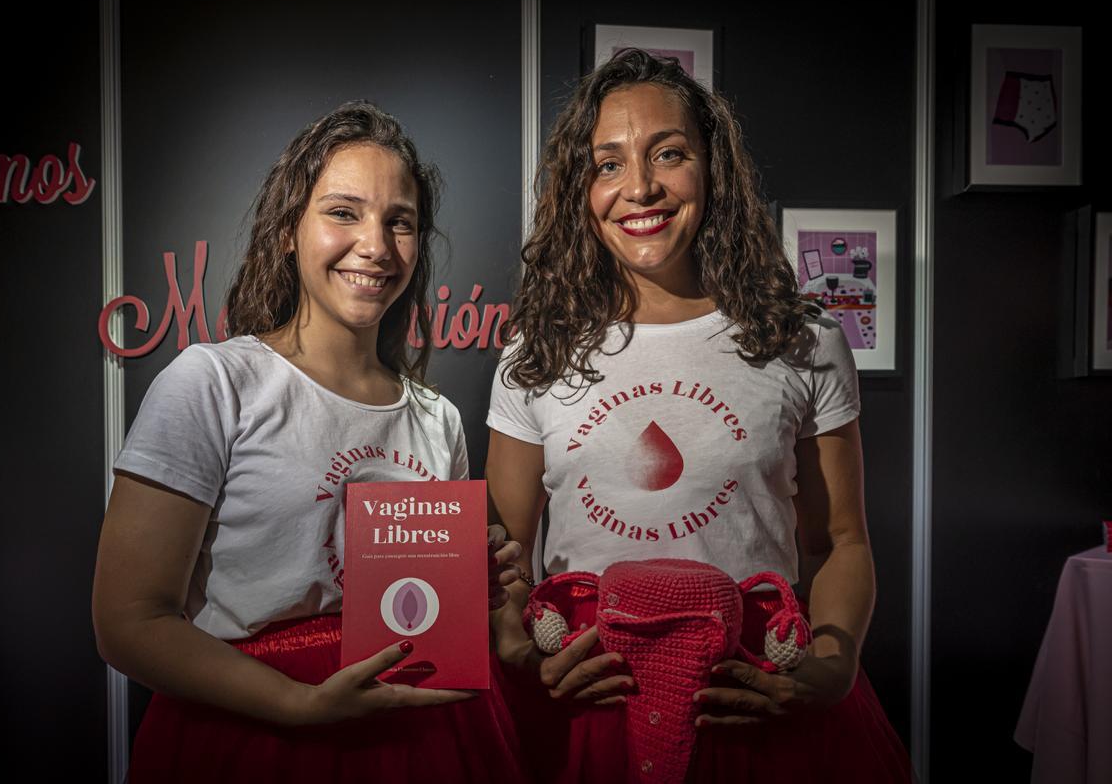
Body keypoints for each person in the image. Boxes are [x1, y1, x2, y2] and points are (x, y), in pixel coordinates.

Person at [486, 49, 911, 783]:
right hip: (591, 709)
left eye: (669, 154)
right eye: (608, 163)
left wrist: (837, 659)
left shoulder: (804, 341)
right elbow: (506, 556)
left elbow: (839, 539)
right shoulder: (537, 351)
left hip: (750, 700)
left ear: (713, 170)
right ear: (578, 189)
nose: (641, 186)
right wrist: (519, 647)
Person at [92, 101, 526, 784]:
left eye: (400, 221)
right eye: (344, 212)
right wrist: (299, 704)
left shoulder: (436, 418)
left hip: (420, 733)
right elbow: (127, 621)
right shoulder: (213, 383)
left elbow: (427, 608)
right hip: (255, 737)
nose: (376, 245)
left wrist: (481, 587)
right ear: (289, 230)